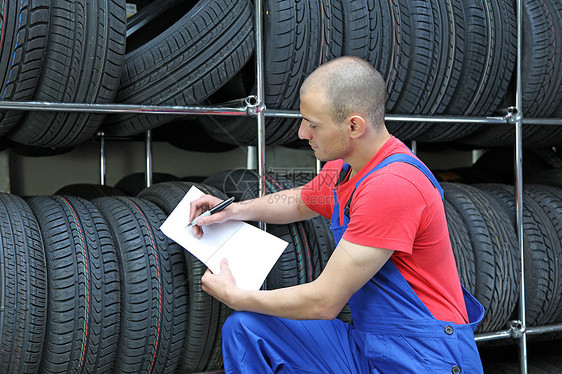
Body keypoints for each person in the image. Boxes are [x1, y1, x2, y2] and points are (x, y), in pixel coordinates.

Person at [189, 56, 484, 373]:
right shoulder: (346, 168)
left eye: (313, 124)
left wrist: (238, 296)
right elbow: (302, 201)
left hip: (426, 355)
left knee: (245, 312)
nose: (303, 133)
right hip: (369, 344)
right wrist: (234, 210)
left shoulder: (392, 186)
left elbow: (325, 301)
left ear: (354, 126)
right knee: (247, 329)